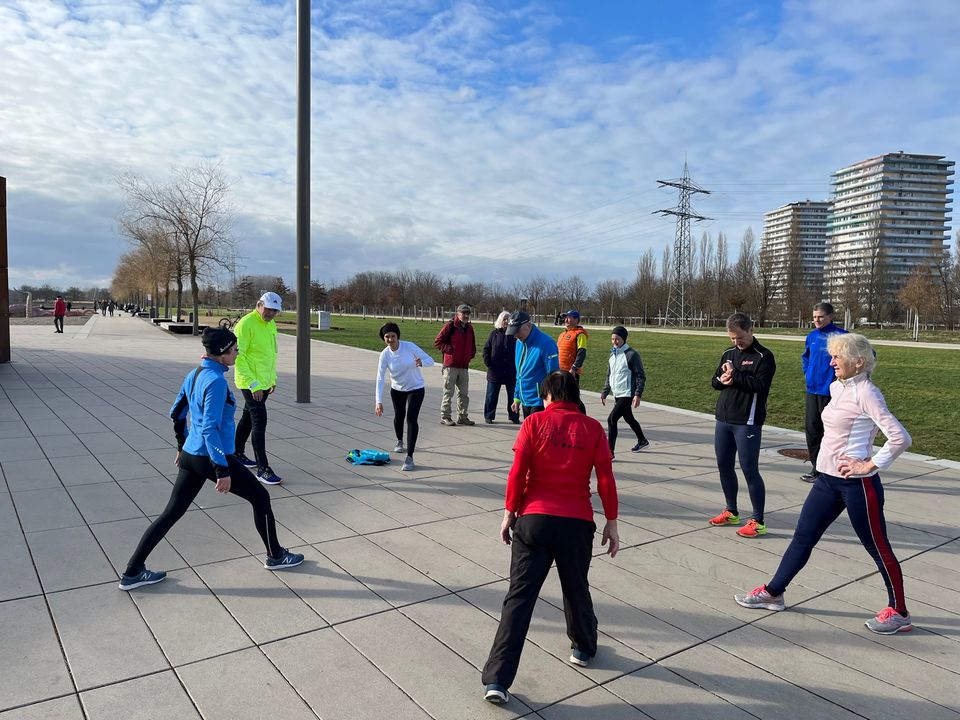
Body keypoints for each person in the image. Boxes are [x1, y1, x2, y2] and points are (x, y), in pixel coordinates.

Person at [736, 333, 913, 634]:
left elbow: (900, 437)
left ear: (858, 362)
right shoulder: (837, 387)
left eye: (837, 357)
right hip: (827, 482)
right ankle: (774, 592)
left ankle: (899, 611)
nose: (831, 362)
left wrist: (869, 464)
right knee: (803, 538)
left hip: (858, 486)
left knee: (878, 546)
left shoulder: (867, 392)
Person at [118, 327, 303, 591]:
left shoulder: (195, 374)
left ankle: (132, 571)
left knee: (171, 513)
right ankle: (276, 555)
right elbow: (209, 428)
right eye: (234, 349)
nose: (237, 353)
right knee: (261, 498)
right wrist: (221, 469)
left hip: (192, 456)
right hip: (210, 456)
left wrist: (182, 447)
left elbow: (177, 413)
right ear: (221, 353)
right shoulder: (215, 382)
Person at [481, 371, 619, 704]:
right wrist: (611, 523)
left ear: (547, 396)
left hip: (534, 521)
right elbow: (605, 480)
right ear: (574, 397)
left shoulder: (533, 423)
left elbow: (517, 473)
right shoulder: (593, 429)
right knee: (576, 588)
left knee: (519, 598)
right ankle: (583, 648)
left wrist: (508, 514)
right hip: (576, 523)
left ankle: (497, 679)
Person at [708, 312, 776, 538]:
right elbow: (714, 382)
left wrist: (735, 376)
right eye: (732, 339)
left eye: (740, 337)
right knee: (723, 465)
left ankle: (758, 520)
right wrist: (721, 380)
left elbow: (760, 387)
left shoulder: (764, 356)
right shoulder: (728, 354)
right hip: (724, 418)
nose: (737, 343)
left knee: (749, 469)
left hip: (747, 422)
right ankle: (731, 510)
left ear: (751, 330)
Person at [233, 292, 283, 485]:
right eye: (269, 309)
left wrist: (272, 379)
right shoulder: (246, 324)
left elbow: (271, 354)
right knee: (259, 422)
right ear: (259, 305)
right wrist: (253, 384)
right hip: (250, 383)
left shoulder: (270, 324)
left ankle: (236, 453)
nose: (271, 313)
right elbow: (239, 356)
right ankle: (263, 469)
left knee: (247, 419)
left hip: (264, 383)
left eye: (275, 311)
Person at [375, 322, 435, 472]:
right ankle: (400, 441)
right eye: (387, 337)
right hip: (397, 390)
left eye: (393, 336)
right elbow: (380, 378)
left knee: (411, 419)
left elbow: (431, 361)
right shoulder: (385, 354)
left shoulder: (410, 347)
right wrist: (378, 401)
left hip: (416, 388)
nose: (390, 340)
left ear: (398, 336)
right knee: (399, 416)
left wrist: (421, 362)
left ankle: (410, 457)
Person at [800, 302, 847, 482]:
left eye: (820, 316)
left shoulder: (842, 336)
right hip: (813, 391)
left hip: (833, 393)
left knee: (832, 433)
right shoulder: (811, 336)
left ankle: (833, 469)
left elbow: (867, 354)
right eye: (814, 317)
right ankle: (817, 468)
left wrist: (842, 379)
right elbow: (806, 357)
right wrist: (808, 372)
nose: (816, 320)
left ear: (830, 316)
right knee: (812, 431)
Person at [599, 326, 648, 459]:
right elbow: (609, 375)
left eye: (617, 339)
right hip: (617, 393)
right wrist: (605, 392)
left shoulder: (631, 355)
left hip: (627, 393)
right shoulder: (612, 354)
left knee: (612, 419)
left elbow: (640, 376)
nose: (614, 341)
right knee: (629, 418)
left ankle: (610, 452)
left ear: (624, 339)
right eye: (612, 339)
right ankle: (642, 440)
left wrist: (637, 394)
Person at [506, 311, 559, 419]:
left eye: (517, 331)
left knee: (538, 434)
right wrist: (517, 398)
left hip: (540, 401)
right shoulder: (519, 342)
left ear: (528, 325)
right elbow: (520, 373)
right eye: (513, 332)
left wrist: (551, 400)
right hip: (525, 399)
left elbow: (553, 375)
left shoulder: (546, 343)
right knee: (530, 433)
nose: (515, 335)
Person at [434, 303, 477, 426]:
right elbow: (438, 342)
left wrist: (471, 354)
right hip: (451, 365)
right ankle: (445, 416)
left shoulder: (469, 328)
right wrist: (450, 350)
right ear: (457, 314)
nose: (466, 315)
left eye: (468, 313)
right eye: (463, 313)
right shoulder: (450, 326)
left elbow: (473, 344)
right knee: (448, 391)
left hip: (464, 366)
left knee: (464, 393)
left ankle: (462, 416)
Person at [482, 312, 519, 424]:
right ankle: (489, 415)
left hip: (511, 370)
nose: (507, 322)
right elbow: (486, 349)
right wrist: (488, 363)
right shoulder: (494, 334)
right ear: (500, 321)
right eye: (504, 319)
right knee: (491, 395)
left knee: (513, 396)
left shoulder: (514, 335)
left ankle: (514, 416)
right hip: (495, 371)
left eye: (509, 319)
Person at [556, 310, 588, 381]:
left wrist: (574, 368)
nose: (566, 320)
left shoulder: (580, 334)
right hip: (559, 371)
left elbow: (582, 353)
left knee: (569, 392)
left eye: (569, 317)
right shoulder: (562, 334)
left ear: (576, 320)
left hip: (570, 372)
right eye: (565, 318)